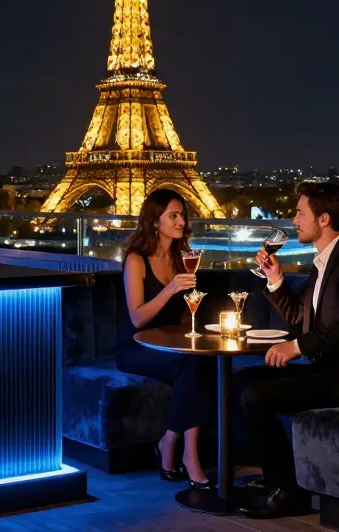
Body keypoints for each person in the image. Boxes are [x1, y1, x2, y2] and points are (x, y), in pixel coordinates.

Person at [234, 182, 339, 518]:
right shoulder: (327, 260)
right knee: (244, 379)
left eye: (299, 213)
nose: (293, 220)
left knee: (256, 396)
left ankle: (289, 491)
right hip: (329, 369)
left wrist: (294, 346)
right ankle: (277, 477)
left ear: (323, 219)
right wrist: (275, 279)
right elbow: (299, 315)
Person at [115, 188, 214, 489]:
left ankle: (175, 445)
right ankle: (183, 453)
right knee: (191, 366)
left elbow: (182, 317)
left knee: (204, 363)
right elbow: (137, 318)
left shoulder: (182, 257)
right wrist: (170, 289)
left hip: (170, 345)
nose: (181, 221)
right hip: (136, 346)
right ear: (154, 221)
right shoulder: (136, 260)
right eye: (173, 215)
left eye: (182, 214)